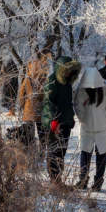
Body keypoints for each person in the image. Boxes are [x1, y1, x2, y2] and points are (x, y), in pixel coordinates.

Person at [72, 67, 106, 190]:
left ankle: (98, 181)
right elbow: (77, 104)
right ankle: (83, 180)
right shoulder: (81, 88)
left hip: (102, 129)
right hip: (87, 128)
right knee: (85, 153)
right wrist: (82, 118)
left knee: (101, 154)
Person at [41, 55, 82, 184]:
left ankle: (58, 179)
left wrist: (70, 118)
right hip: (54, 124)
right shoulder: (52, 81)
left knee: (62, 151)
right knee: (54, 151)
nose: (70, 72)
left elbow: (67, 103)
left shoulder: (67, 82)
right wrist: (54, 121)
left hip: (65, 122)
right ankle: (54, 180)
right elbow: (48, 102)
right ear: (61, 69)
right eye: (68, 69)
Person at [15, 54, 48, 156]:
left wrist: (21, 106)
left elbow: (21, 94)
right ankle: (42, 153)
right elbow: (47, 96)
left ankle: (31, 153)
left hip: (28, 111)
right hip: (40, 111)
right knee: (42, 134)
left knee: (29, 135)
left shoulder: (27, 79)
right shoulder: (44, 79)